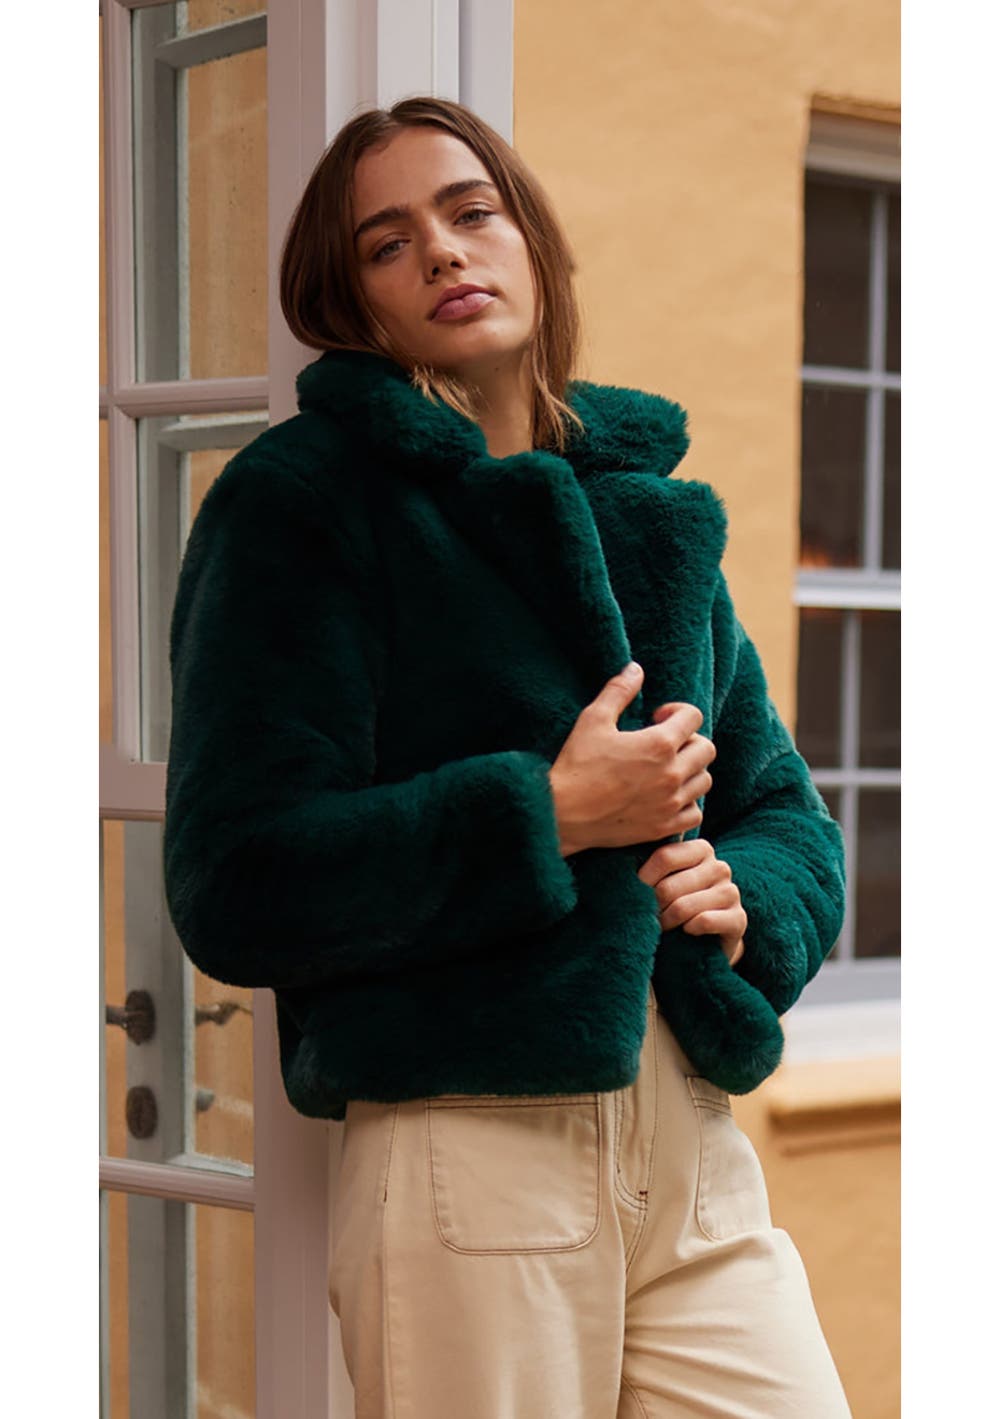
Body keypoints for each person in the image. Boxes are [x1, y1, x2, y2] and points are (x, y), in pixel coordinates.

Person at [163, 96, 853, 1418]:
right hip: (471, 1150)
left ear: (531, 239)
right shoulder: (302, 504)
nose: (441, 250)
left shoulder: (646, 511)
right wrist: (547, 814)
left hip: (693, 1142)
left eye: (471, 212)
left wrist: (745, 895)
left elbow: (783, 810)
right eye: (387, 243)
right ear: (353, 302)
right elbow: (236, 878)